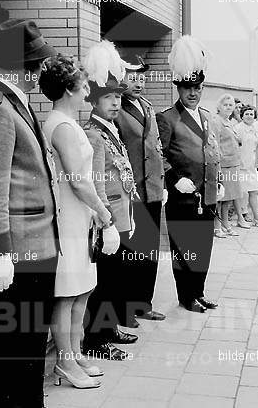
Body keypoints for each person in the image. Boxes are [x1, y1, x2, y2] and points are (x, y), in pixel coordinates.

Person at [0, 18, 59, 407]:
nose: (40, 72)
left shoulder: (15, 104)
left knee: (29, 350)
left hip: (35, 251)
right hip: (16, 256)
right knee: (12, 354)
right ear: (20, 65)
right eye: (35, 63)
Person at [40, 55, 110, 388]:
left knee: (83, 289)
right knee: (67, 294)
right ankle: (65, 363)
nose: (87, 92)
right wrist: (103, 209)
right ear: (68, 89)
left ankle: (76, 351)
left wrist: (94, 211)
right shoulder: (62, 126)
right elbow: (77, 180)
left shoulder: (66, 122)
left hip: (80, 216)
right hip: (68, 217)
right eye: (83, 86)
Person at [81, 40, 137, 361]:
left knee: (115, 279)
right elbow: (97, 180)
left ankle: (111, 326)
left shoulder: (112, 128)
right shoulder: (93, 132)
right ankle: (96, 339)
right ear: (94, 101)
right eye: (108, 97)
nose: (115, 103)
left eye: (117, 97)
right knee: (103, 282)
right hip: (107, 217)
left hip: (122, 212)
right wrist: (108, 222)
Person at [156, 35, 220, 314]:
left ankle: (199, 291)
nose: (192, 93)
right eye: (187, 88)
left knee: (203, 246)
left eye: (197, 88)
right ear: (178, 88)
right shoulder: (167, 118)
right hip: (182, 195)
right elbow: (160, 154)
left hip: (205, 194)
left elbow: (211, 152)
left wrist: (216, 182)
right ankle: (186, 296)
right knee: (185, 249)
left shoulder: (207, 117)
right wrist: (173, 178)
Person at [115, 55, 167, 323]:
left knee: (149, 250)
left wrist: (163, 182)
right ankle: (125, 309)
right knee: (130, 252)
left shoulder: (147, 106)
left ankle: (143, 303)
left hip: (153, 189)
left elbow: (156, 149)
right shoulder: (116, 109)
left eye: (141, 77)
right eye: (131, 77)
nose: (137, 82)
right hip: (132, 189)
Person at [214, 94, 249, 236]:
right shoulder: (216, 121)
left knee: (229, 198)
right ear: (219, 107)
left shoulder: (229, 122)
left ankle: (226, 225)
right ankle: (217, 226)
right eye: (225, 105)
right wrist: (218, 165)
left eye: (231, 105)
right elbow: (215, 144)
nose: (228, 107)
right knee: (220, 198)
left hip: (233, 164)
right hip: (223, 165)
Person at [235, 105, 258, 228]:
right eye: (247, 114)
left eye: (251, 114)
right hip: (241, 166)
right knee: (241, 193)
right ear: (242, 116)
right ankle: (240, 218)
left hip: (252, 165)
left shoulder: (255, 128)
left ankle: (257, 219)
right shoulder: (238, 128)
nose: (249, 116)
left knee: (254, 191)